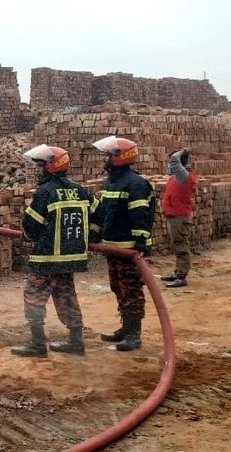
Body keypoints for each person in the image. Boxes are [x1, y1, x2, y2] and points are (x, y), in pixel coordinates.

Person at [11, 145, 97, 358]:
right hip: (72, 257)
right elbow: (100, 215)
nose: (40, 169)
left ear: (51, 166)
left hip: (47, 256)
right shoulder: (80, 189)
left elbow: (31, 226)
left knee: (34, 296)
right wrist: (90, 236)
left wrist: (32, 237)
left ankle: (37, 344)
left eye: (42, 165)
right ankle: (76, 340)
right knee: (66, 295)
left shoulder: (45, 192)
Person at [92, 136, 155, 352]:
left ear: (121, 157)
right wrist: (94, 234)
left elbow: (140, 216)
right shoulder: (110, 182)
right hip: (111, 246)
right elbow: (102, 214)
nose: (106, 159)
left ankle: (134, 334)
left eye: (109, 155)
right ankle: (125, 328)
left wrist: (140, 243)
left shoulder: (136, 183)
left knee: (132, 291)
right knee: (118, 288)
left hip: (128, 249)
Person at [161, 148, 197, 288]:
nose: (169, 165)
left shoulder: (184, 176)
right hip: (174, 216)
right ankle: (178, 273)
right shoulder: (176, 177)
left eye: (170, 162)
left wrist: (183, 151)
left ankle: (181, 276)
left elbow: (175, 160)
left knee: (181, 247)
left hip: (180, 218)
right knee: (177, 245)